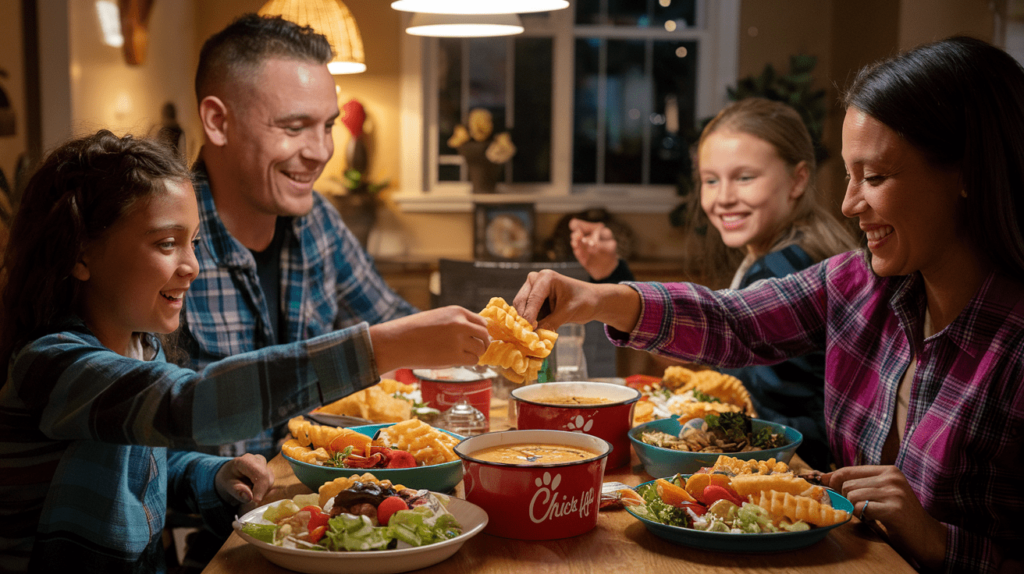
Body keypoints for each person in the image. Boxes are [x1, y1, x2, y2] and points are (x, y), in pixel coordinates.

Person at [514, 36, 1024, 573]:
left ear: (966, 172)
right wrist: (597, 298)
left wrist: (939, 542)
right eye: (850, 177)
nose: (850, 204)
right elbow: (733, 323)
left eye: (874, 177)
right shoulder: (858, 284)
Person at [0, 130, 486, 573]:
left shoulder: (141, 348)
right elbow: (191, 403)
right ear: (79, 254)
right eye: (166, 243)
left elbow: (145, 465)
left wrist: (212, 476)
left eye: (193, 242)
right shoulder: (52, 365)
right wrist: (385, 345)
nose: (191, 265)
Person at [188, 14, 485, 457]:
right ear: (217, 121)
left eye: (327, 126)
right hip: (222, 521)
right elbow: (158, 426)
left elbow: (393, 322)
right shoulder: (162, 238)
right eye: (293, 127)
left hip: (321, 498)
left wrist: (478, 337)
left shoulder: (317, 221)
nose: (321, 152)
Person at [571, 98, 857, 471]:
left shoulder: (784, 266)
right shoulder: (778, 252)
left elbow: (770, 415)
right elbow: (707, 348)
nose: (723, 198)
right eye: (710, 180)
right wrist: (611, 275)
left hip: (801, 466)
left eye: (745, 177)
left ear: (797, 179)